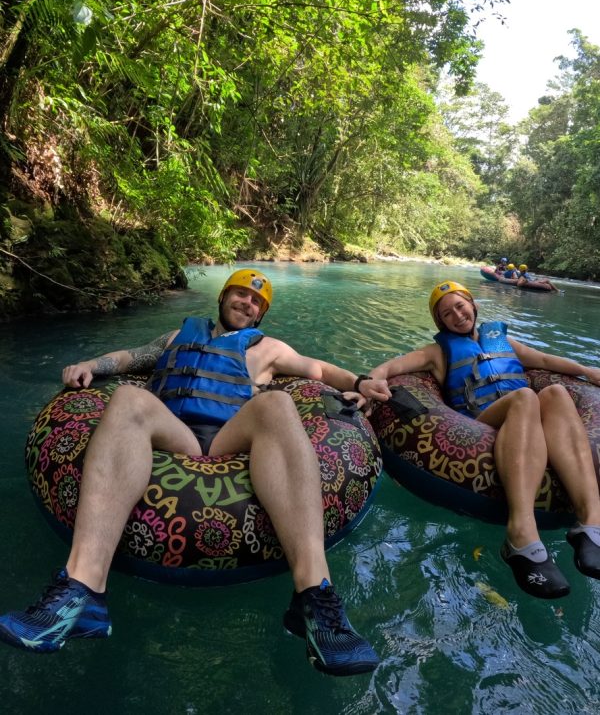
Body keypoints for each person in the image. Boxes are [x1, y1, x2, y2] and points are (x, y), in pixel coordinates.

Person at [0, 269, 390, 675]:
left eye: (257, 301)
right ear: (222, 297)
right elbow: (131, 358)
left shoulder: (269, 348)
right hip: (173, 432)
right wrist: (92, 365)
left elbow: (320, 372)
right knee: (130, 397)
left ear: (261, 314)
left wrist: (360, 382)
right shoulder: (176, 335)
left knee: (277, 405)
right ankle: (82, 591)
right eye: (240, 294)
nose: (247, 302)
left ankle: (314, 597)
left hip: (227, 437)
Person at [365, 280, 600, 599]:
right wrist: (369, 382)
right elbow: (393, 367)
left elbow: (544, 362)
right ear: (441, 322)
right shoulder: (437, 353)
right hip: (483, 422)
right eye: (447, 314)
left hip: (527, 412)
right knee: (525, 398)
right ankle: (521, 535)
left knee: (556, 392)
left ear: (472, 304)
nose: (457, 315)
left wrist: (587, 370)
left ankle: (591, 526)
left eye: (460, 306)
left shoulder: (503, 340)